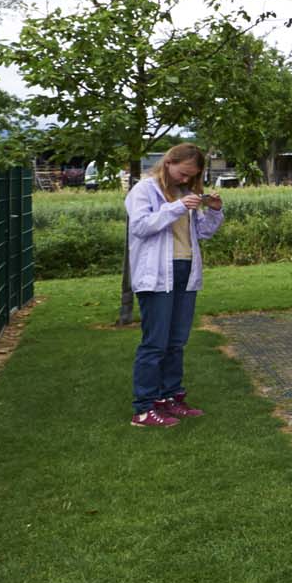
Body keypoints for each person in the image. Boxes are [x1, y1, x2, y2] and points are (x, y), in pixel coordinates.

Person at [124, 142, 224, 427]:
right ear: (168, 162)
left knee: (176, 342)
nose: (186, 180)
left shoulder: (185, 193)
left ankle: (169, 399)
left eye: (191, 177)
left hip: (185, 271)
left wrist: (214, 211)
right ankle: (143, 408)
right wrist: (176, 207)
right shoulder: (144, 190)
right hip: (156, 275)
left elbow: (202, 233)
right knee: (155, 343)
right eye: (183, 174)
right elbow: (141, 226)